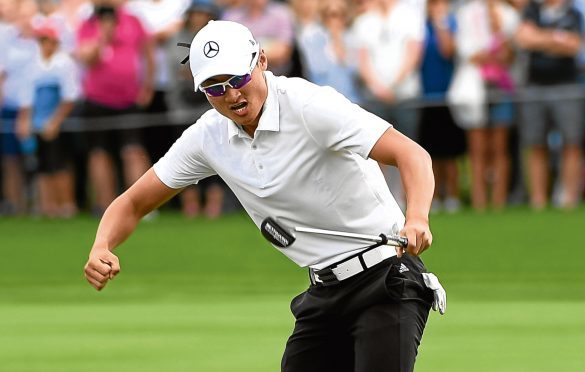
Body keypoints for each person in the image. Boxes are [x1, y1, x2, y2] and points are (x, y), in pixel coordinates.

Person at [83, 20, 446, 372]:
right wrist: (102, 245)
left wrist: (416, 217)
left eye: (238, 78)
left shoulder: (308, 105)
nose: (232, 95)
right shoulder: (208, 136)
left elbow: (411, 154)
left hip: (386, 278)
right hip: (323, 291)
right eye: (215, 88)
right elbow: (132, 203)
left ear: (261, 61)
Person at [75, 0, 155, 215]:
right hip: (97, 99)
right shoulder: (88, 24)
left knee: (133, 150)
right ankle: (106, 206)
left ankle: (142, 206)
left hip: (129, 99)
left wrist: (147, 86)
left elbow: (148, 53)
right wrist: (102, 35)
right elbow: (85, 58)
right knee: (99, 153)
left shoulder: (133, 21)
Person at [450, 0, 519, 211]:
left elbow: (509, 54)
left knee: (500, 147)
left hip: (500, 86)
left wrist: (498, 29)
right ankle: (479, 203)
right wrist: (487, 54)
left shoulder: (508, 14)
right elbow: (465, 52)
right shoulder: (465, 13)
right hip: (474, 87)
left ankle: (498, 202)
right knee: (477, 148)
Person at [515, 0, 584, 209]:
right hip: (534, 86)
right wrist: (556, 38)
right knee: (535, 144)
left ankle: (568, 200)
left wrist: (539, 38)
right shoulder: (532, 10)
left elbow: (574, 45)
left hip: (566, 86)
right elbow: (523, 39)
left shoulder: (574, 13)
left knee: (571, 143)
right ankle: (538, 200)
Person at [15, 19, 80, 218]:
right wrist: (24, 121)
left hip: (58, 124)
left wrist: (55, 122)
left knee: (60, 164)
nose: (46, 44)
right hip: (38, 124)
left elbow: (69, 98)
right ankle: (48, 207)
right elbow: (26, 99)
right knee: (42, 166)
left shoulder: (64, 64)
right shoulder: (32, 66)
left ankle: (66, 206)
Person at [418, 0, 466, 213]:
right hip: (425, 97)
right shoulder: (420, 26)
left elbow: (447, 50)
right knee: (431, 152)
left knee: (450, 152)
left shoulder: (451, 23)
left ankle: (453, 195)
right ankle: (434, 197)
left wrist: (441, 22)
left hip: (448, 96)